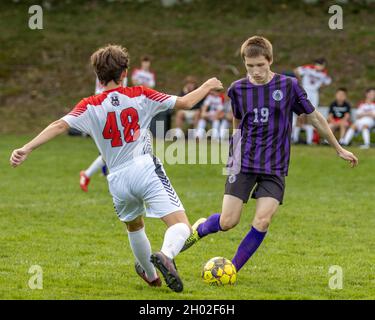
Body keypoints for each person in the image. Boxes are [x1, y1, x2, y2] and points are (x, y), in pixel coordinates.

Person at [10, 44, 223, 292]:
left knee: (134, 225)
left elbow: (59, 125)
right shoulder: (140, 94)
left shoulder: (90, 104)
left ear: (98, 76)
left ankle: (152, 275)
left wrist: (27, 148)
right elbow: (186, 102)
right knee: (181, 227)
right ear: (124, 73)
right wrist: (207, 86)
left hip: (117, 178)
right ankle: (166, 255)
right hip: (144, 167)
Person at [180, 36, 358, 276]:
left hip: (275, 165)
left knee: (262, 221)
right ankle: (202, 227)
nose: (255, 71)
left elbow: (314, 117)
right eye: (250, 66)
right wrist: (234, 145)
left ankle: (230, 270)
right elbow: (238, 119)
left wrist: (338, 148)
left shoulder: (289, 86)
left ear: (270, 61)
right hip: (243, 161)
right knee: (227, 223)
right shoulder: (238, 89)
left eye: (260, 65)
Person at [79, 74, 129, 192]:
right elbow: (100, 93)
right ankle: (87, 174)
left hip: (116, 113)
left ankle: (87, 174)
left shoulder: (121, 73)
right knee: (115, 149)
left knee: (114, 150)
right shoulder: (105, 73)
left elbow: (122, 95)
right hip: (106, 113)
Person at [292, 58, 332, 145]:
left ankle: (309, 141)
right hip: (304, 91)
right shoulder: (308, 68)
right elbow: (296, 70)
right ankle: (295, 139)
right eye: (319, 65)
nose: (320, 67)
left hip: (314, 94)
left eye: (322, 66)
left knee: (311, 115)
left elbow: (328, 81)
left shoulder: (323, 73)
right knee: (300, 115)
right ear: (316, 64)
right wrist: (300, 82)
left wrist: (318, 86)